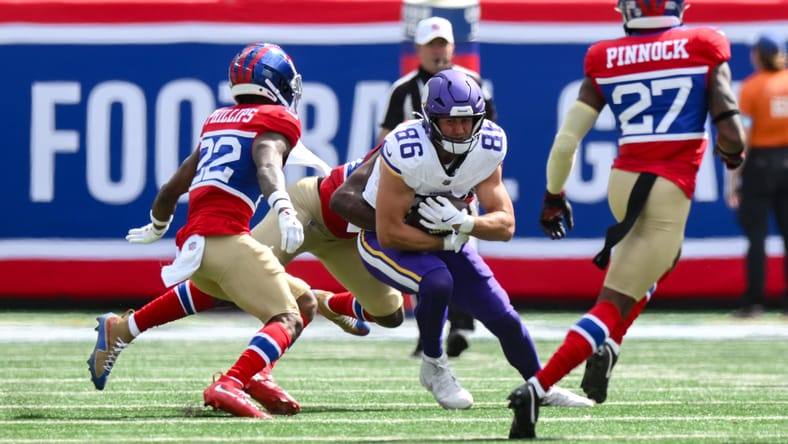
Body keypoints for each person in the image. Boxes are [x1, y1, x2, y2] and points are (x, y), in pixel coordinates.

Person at [507, 0, 747, 438]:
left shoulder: (605, 55)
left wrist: (553, 196)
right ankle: (537, 388)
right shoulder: (703, 44)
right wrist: (734, 156)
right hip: (667, 188)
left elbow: (565, 143)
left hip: (623, 181)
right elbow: (730, 129)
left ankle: (611, 343)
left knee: (661, 259)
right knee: (614, 299)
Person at [87, 42, 333, 419]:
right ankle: (231, 382)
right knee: (287, 318)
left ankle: (123, 331)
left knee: (302, 301)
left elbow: (173, 187)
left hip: (197, 244)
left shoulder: (220, 119)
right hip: (225, 240)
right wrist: (282, 206)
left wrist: (157, 225)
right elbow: (268, 164)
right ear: (279, 82)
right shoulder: (278, 120)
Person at [86, 145, 412, 415]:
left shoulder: (456, 170)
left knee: (390, 313)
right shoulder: (412, 150)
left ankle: (323, 302)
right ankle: (245, 371)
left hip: (348, 235)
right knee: (232, 279)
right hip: (309, 207)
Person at [344, 68, 592, 410]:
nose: (460, 130)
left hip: (447, 235)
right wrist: (449, 240)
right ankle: (434, 364)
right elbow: (389, 231)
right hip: (381, 241)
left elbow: (505, 225)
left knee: (503, 315)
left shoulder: (489, 145)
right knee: (437, 280)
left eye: (467, 121)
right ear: (430, 119)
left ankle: (541, 385)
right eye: (449, 122)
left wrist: (465, 221)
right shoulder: (406, 147)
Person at [378, 15, 497, 357]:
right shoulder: (403, 90)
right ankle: (430, 331)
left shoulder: (472, 83)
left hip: (461, 185)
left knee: (460, 247)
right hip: (418, 188)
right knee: (422, 256)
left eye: (443, 44)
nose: (438, 51)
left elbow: (489, 135)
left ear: (452, 46)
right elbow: (385, 141)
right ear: (419, 49)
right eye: (431, 45)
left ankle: (460, 324)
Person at [726, 31, 788, 318]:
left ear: (758, 55)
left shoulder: (752, 88)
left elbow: (745, 137)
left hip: (761, 165)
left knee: (757, 237)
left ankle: (754, 301)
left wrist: (733, 178)